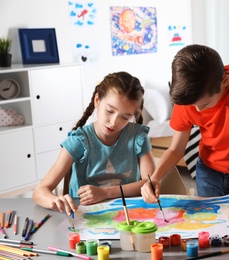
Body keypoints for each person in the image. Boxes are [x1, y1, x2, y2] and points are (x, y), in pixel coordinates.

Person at [141, 44, 229, 229]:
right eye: (193, 106)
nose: (197, 111)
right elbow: (176, 148)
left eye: (205, 104)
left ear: (224, 81)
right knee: (213, 229)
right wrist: (154, 178)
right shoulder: (187, 98)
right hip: (209, 173)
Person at [33, 72, 155, 217]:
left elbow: (150, 183)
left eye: (125, 117)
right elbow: (40, 191)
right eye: (109, 111)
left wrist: (106, 192)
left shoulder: (137, 137)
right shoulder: (79, 140)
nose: (114, 122)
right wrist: (56, 200)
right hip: (87, 218)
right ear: (97, 100)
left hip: (130, 215)